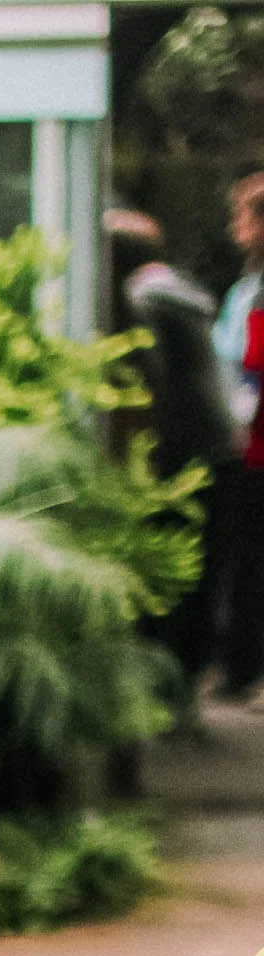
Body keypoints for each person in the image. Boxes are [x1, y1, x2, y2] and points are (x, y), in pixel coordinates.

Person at [105, 209, 243, 702]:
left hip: (184, 452)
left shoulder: (143, 301)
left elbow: (151, 380)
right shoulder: (181, 293)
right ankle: (185, 684)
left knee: (173, 573)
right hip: (220, 446)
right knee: (200, 571)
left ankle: (169, 687)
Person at [209, 175, 264, 700]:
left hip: (254, 443)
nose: (235, 230)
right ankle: (243, 668)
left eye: (243, 219)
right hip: (247, 440)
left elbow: (247, 365)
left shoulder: (256, 294)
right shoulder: (246, 290)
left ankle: (246, 669)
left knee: (249, 556)